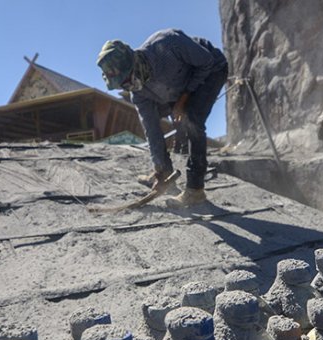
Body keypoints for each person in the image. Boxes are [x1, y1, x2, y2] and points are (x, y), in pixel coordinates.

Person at [97, 29, 228, 207]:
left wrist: (182, 101)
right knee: (154, 119)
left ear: (134, 61)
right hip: (176, 86)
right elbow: (151, 130)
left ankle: (195, 190)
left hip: (210, 69)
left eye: (128, 79)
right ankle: (165, 173)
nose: (130, 87)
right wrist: (160, 168)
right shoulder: (139, 94)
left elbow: (206, 63)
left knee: (192, 120)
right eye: (124, 85)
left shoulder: (169, 43)